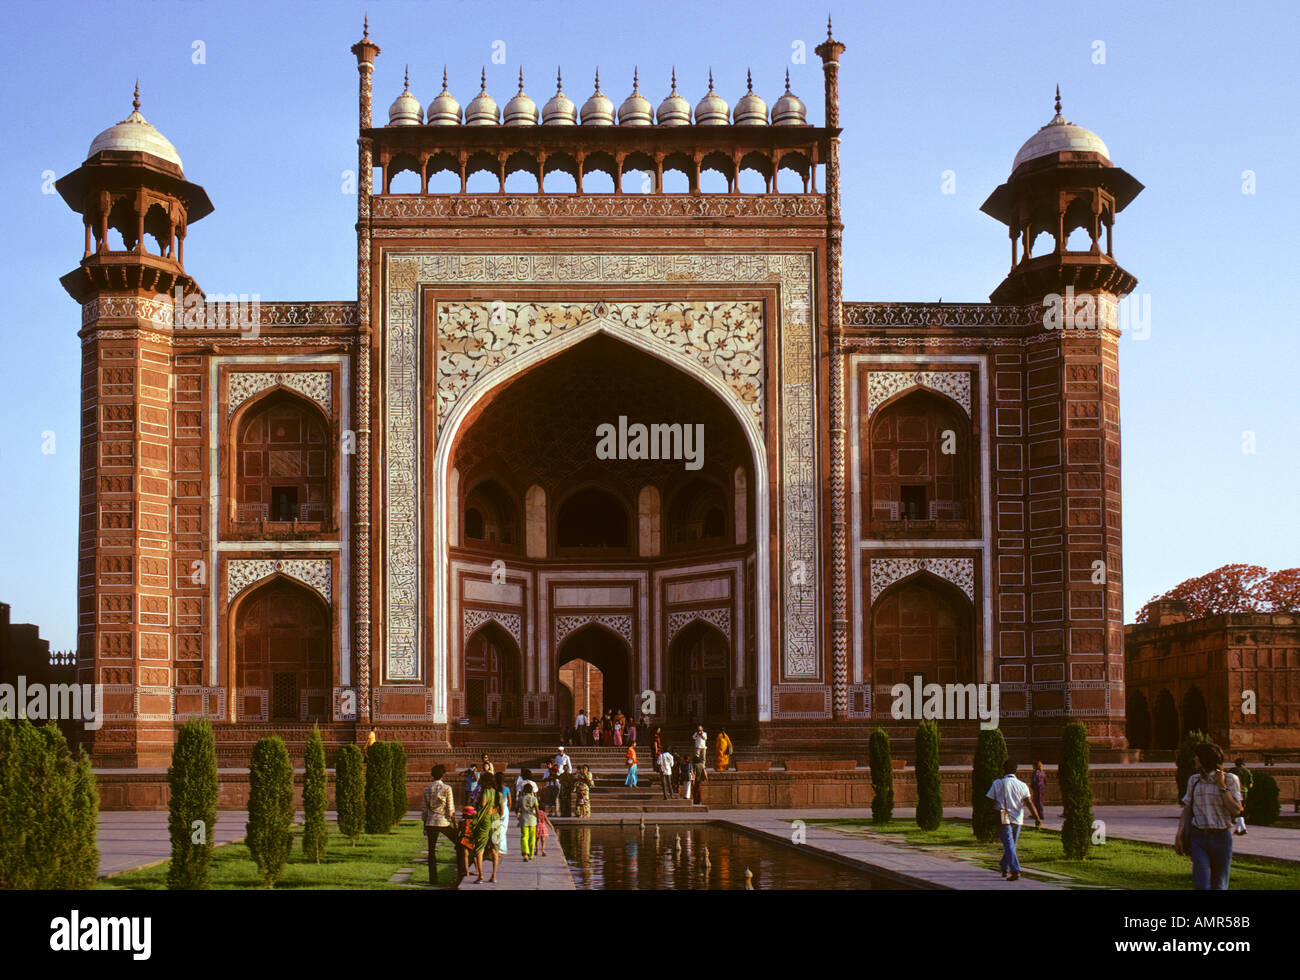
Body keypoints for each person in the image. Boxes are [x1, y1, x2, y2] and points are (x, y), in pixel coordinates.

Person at [1180, 742, 1243, 890]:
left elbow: (1236, 810)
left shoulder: (1230, 779)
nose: (1194, 759)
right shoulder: (1194, 780)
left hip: (1222, 837)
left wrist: (1222, 787)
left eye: (1197, 756)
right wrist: (1180, 832)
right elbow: (1187, 808)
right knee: (1201, 884)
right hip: (1199, 837)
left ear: (1204, 759)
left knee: (1220, 886)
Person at [987, 760, 1040, 881]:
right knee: (1011, 845)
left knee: (1010, 845)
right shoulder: (1022, 785)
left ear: (1003, 770)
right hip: (1017, 819)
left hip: (1003, 818)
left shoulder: (997, 783)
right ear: (1016, 771)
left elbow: (989, 799)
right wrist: (1037, 818)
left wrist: (991, 813)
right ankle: (1008, 867)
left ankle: (1012, 869)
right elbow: (1029, 803)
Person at [421, 764, 459, 885]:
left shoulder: (427, 789)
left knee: (431, 851)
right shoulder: (447, 788)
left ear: (432, 775)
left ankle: (433, 879)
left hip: (431, 821)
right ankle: (462, 870)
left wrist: (424, 824)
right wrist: (453, 821)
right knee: (459, 843)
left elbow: (424, 809)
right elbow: (450, 808)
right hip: (443, 821)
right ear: (443, 775)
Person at [468, 769, 501, 883]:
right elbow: (501, 808)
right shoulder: (498, 793)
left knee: (480, 847)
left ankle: (481, 875)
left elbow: (482, 804)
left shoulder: (485, 792)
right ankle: (494, 876)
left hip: (485, 819)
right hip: (496, 819)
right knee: (494, 848)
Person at [1230, 758, 1253, 835]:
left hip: (1235, 791)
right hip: (1244, 791)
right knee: (1241, 809)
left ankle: (1243, 828)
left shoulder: (1233, 770)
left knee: (1236, 810)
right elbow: (1251, 783)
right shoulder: (1247, 771)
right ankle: (1238, 829)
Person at [519, 783, 539, 861]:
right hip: (533, 819)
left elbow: (517, 808)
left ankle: (525, 853)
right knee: (532, 837)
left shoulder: (521, 799)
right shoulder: (534, 799)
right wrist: (539, 818)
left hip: (524, 819)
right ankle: (531, 854)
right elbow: (537, 809)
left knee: (524, 837)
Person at [493, 770, 511, 857]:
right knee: (503, 830)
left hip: (497, 809)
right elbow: (510, 801)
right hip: (504, 809)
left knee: (497, 829)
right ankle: (501, 849)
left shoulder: (495, 789)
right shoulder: (506, 789)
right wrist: (508, 809)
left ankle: (499, 849)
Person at [1030, 761, 1047, 829]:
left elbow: (1033, 781)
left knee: (1035, 801)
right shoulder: (1042, 772)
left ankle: (1037, 814)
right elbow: (1045, 780)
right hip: (1041, 787)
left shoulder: (1035, 772)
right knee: (1040, 801)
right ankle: (1040, 813)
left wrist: (1032, 786)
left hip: (1036, 788)